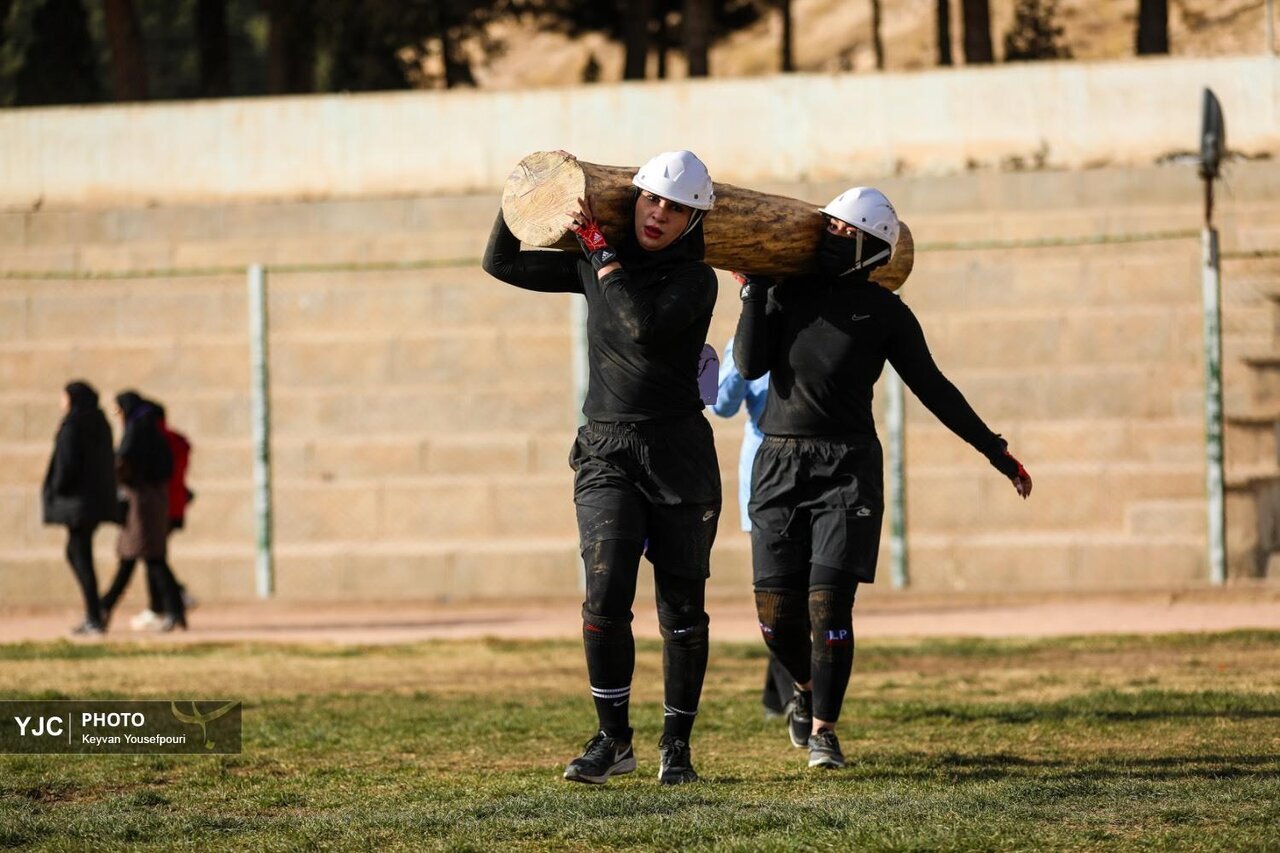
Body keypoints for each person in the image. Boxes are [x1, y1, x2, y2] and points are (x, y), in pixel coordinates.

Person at [733, 187, 1032, 770]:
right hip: (779, 462)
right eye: (829, 227)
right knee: (775, 615)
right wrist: (753, 290)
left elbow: (935, 389)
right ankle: (803, 690)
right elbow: (749, 364)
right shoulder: (784, 291)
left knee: (827, 604)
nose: (829, 237)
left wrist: (997, 451)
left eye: (843, 232)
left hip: (847, 468)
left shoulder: (885, 313)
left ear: (870, 249)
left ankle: (825, 731)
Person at [483, 150, 721, 785]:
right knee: (605, 591)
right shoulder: (596, 261)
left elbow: (638, 326)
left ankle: (678, 746)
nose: (660, 214)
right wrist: (528, 192)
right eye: (651, 200)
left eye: (676, 208)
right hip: (606, 451)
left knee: (682, 609)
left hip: (678, 456)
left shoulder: (697, 281)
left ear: (693, 220)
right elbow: (501, 263)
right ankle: (613, 740)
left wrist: (595, 247)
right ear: (635, 199)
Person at [710, 335, 793, 719]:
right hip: (763, 477)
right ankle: (783, 694)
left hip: (813, 468)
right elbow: (722, 405)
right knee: (779, 590)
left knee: (809, 589)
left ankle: (784, 693)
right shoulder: (742, 340)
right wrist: (746, 353)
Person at [101, 397, 196, 630]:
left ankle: (106, 608)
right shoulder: (168, 439)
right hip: (165, 505)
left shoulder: (143, 436)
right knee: (150, 558)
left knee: (147, 559)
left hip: (146, 508)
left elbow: (124, 465)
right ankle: (168, 608)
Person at [41, 381, 118, 635]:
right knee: (78, 553)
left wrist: (57, 489)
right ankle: (95, 612)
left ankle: (94, 615)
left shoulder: (74, 425)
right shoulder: (99, 424)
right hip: (93, 501)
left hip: (78, 503)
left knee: (79, 554)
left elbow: (66, 465)